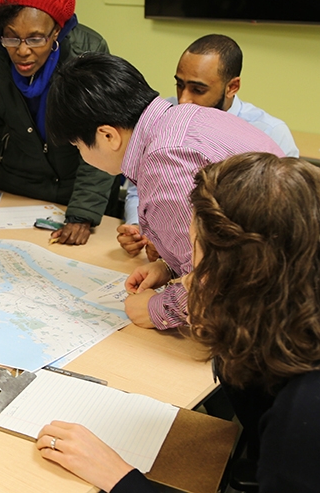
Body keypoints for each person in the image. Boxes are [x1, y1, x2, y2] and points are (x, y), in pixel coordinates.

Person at [34, 152, 320, 492]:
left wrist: (119, 477)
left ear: (238, 273)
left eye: (196, 256)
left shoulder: (303, 416)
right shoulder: (292, 320)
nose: (189, 278)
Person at [45, 52, 282, 330]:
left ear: (107, 135)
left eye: (78, 147)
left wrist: (157, 308)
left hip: (276, 310)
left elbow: (217, 284)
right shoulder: (188, 116)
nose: (81, 155)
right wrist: (171, 266)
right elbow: (217, 242)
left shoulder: (163, 163)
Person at [0, 0, 115, 246]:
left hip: (76, 193)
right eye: (12, 38)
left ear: (57, 32)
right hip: (18, 192)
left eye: (35, 38)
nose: (22, 51)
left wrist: (82, 215)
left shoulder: (87, 55)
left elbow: (102, 140)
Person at [119, 33, 299, 259]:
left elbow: (277, 222)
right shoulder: (166, 114)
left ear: (232, 86)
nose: (184, 99)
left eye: (198, 89)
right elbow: (139, 185)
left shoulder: (271, 133)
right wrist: (139, 228)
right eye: (179, 84)